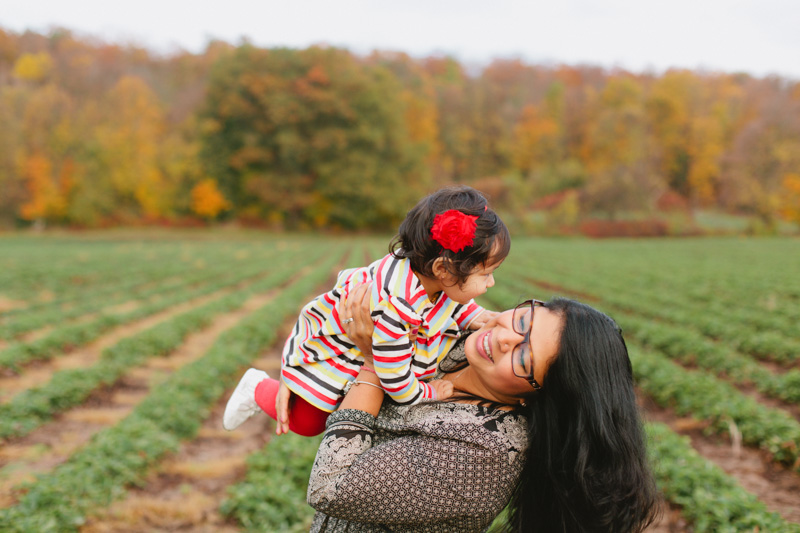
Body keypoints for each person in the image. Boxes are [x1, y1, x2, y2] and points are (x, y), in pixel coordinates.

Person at [305, 283, 659, 533]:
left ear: (535, 396)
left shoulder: (485, 453)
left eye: (525, 356)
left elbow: (330, 487)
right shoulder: (464, 348)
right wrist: (297, 382)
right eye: (524, 321)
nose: (506, 338)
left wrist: (374, 361)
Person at [223, 186, 510, 436]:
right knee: (308, 422)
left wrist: (476, 316)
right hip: (337, 352)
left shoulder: (433, 276)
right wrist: (429, 392)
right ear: (443, 269)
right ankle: (257, 387)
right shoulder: (395, 310)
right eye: (486, 275)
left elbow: (451, 301)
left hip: (363, 347)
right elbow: (396, 381)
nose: (491, 282)